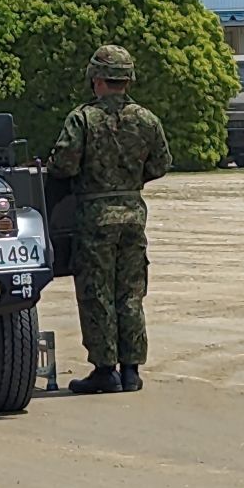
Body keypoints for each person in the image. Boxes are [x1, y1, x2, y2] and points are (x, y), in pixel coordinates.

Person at [46, 45, 171, 395]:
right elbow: (161, 164)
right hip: (133, 216)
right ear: (127, 79)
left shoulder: (83, 119)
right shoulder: (147, 120)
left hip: (95, 218)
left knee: (96, 293)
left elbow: (63, 165)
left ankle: (105, 370)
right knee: (130, 293)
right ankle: (131, 370)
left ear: (96, 79)